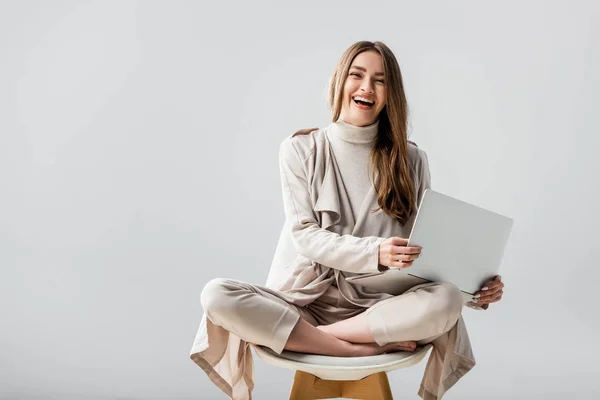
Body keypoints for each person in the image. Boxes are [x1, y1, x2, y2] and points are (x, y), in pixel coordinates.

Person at [189, 40, 505, 400]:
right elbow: (305, 236)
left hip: (383, 308)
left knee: (446, 299)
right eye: (357, 75)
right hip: (309, 306)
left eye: (380, 80)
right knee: (217, 295)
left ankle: (324, 341)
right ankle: (351, 348)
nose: (366, 87)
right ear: (340, 81)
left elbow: (429, 252)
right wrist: (376, 252)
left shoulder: (412, 159)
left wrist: (476, 291)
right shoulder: (301, 149)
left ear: (390, 95)